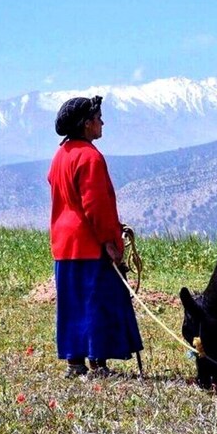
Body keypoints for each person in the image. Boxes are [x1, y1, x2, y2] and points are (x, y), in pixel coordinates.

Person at [48, 95, 143, 378]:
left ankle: (74, 364)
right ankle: (98, 365)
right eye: (98, 118)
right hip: (90, 245)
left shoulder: (60, 156)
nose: (102, 122)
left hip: (65, 245)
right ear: (87, 125)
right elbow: (96, 206)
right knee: (96, 303)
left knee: (72, 305)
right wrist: (110, 242)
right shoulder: (90, 157)